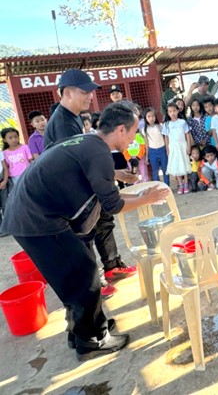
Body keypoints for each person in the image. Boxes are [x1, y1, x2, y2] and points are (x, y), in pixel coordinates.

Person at [0, 103, 170, 361]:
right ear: (121, 129)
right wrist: (148, 197)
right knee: (85, 274)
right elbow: (113, 205)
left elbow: (83, 168)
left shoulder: (88, 141)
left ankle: (81, 330)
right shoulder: (99, 152)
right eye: (134, 132)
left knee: (76, 273)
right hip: (38, 220)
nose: (134, 138)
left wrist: (116, 175)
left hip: (29, 213)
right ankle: (92, 340)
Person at [44, 69, 136, 288]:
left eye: (91, 91)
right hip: (70, 191)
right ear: (66, 93)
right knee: (85, 232)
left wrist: (116, 173)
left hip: (81, 182)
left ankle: (112, 266)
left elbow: (85, 160)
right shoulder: (63, 123)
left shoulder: (72, 116)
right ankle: (94, 283)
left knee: (103, 220)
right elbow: (79, 163)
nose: (90, 96)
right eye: (84, 91)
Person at [163, 102, 192, 195]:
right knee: (177, 165)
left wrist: (188, 146)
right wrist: (167, 148)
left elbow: (187, 134)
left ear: (178, 111)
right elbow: (166, 137)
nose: (172, 113)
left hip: (182, 146)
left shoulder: (182, 122)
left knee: (184, 163)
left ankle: (186, 183)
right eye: (170, 111)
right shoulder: (167, 124)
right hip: (173, 147)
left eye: (174, 111)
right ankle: (180, 184)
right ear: (168, 113)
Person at [143, 107, 169, 185]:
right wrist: (147, 156)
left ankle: (167, 186)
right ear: (145, 118)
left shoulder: (160, 126)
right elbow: (146, 144)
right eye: (149, 116)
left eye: (153, 116)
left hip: (162, 150)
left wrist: (167, 149)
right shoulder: (144, 129)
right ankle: (158, 188)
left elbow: (165, 138)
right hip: (152, 152)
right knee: (155, 171)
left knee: (165, 170)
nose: (151, 118)